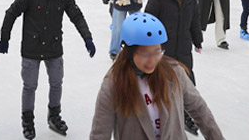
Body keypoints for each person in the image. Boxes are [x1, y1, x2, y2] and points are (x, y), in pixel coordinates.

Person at [0, 0, 95, 139]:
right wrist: (5, 38)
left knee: (56, 83)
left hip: (53, 47)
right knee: (30, 86)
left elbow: (77, 16)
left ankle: (54, 116)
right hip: (32, 48)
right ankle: (28, 121)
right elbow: (11, 13)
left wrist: (87, 38)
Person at [89, 12, 224, 139]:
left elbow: (199, 110)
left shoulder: (175, 73)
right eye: (145, 54)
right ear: (128, 51)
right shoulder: (114, 83)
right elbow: (100, 133)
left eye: (157, 51)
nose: (152, 60)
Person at [145, 0, 204, 136]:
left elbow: (194, 19)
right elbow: (148, 18)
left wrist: (197, 39)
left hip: (184, 46)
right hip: (163, 48)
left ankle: (186, 115)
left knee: (187, 83)